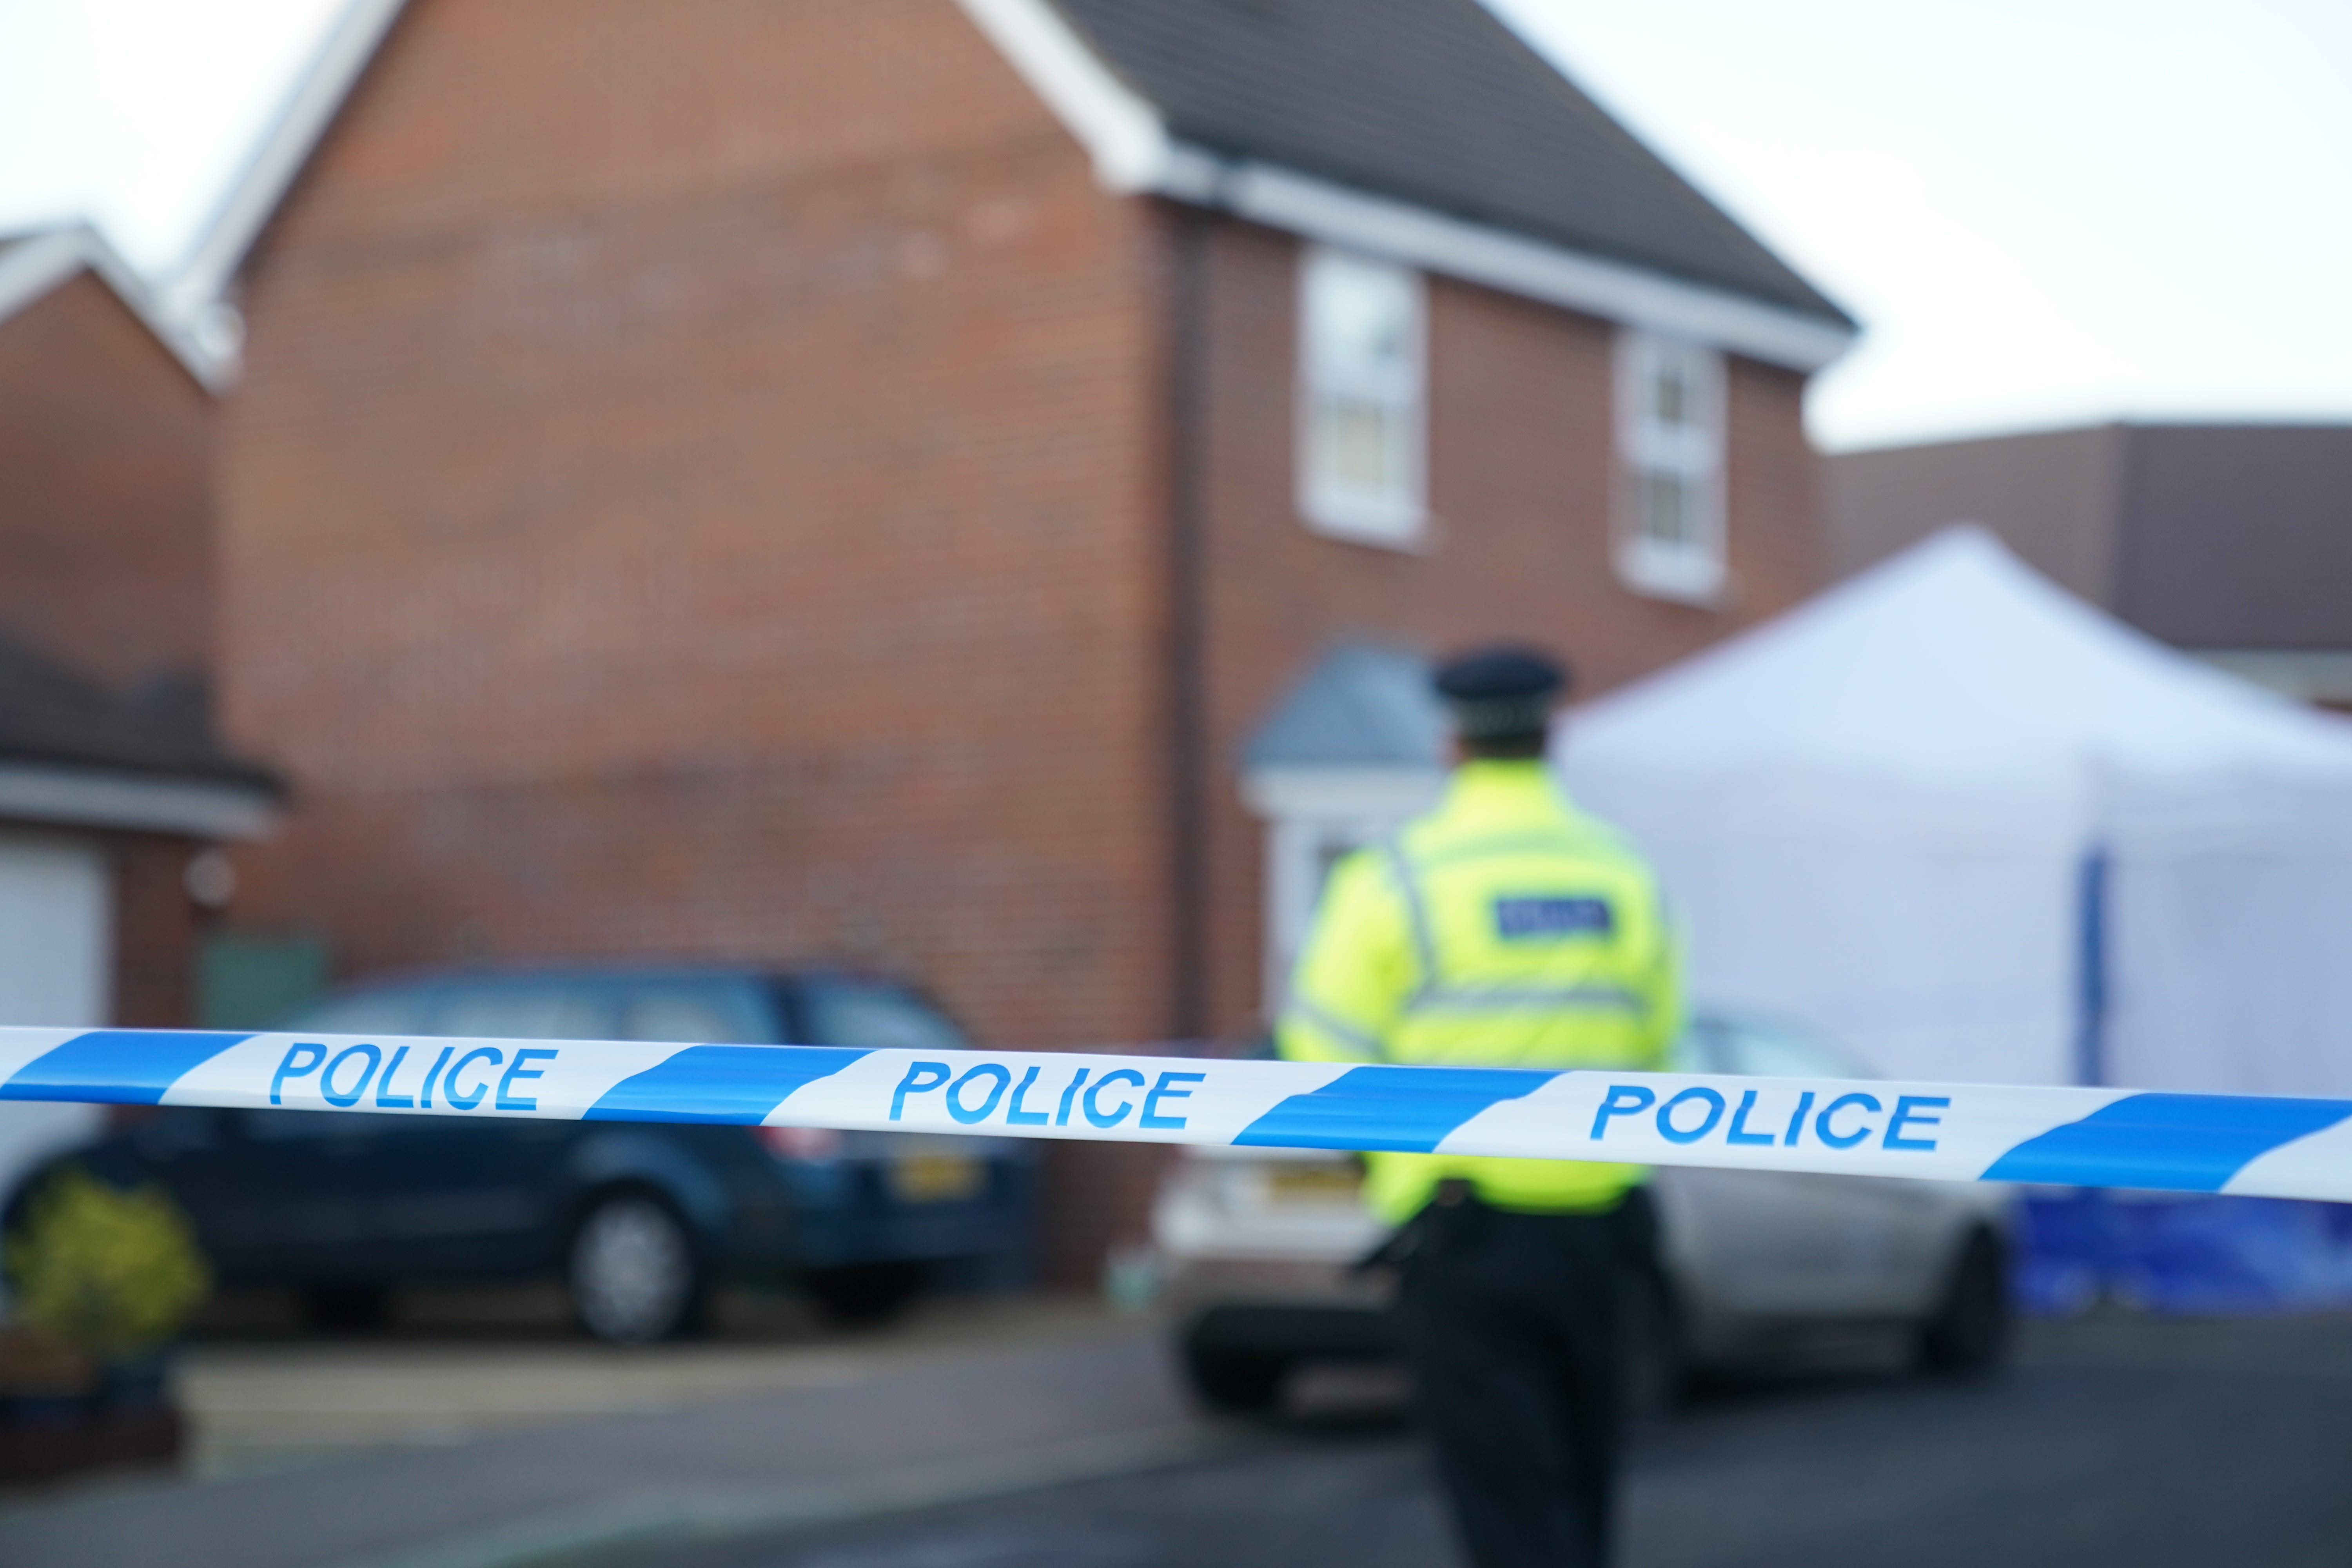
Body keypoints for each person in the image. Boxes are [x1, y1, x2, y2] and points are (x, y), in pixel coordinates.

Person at [1278, 644, 1682, 1568]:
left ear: (1450, 742)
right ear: (1554, 734)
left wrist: (1394, 1176)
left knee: (1506, 1502)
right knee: (1587, 1484)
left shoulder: (1396, 878)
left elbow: (1321, 1053)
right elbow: (1662, 1044)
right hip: (1600, 1231)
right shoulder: (1624, 873)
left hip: (1465, 1233)